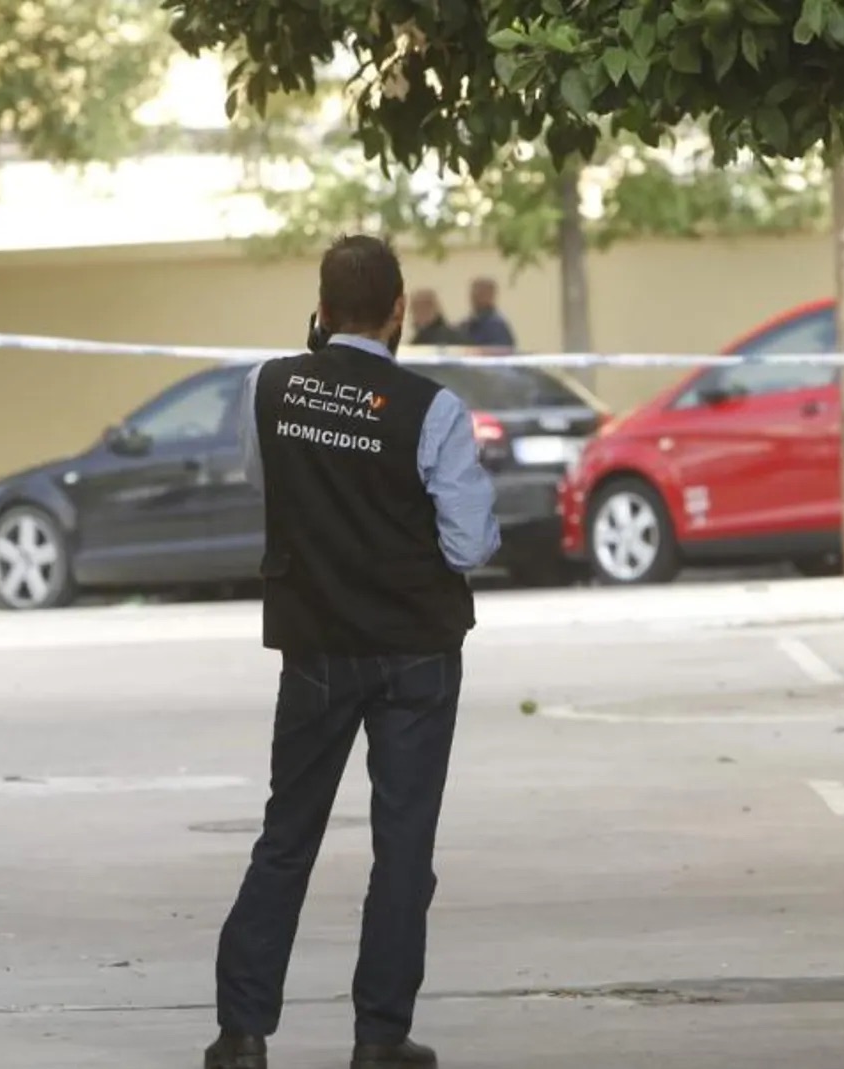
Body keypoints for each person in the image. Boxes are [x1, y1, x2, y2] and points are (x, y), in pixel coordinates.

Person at [206, 235, 500, 1069]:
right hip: (416, 653)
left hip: (315, 646)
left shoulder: (268, 389)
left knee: (287, 834)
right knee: (403, 845)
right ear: (400, 310)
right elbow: (470, 541)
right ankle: (380, 1037)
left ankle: (242, 1033)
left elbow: (268, 488)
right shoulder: (432, 409)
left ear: (322, 308)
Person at [459, 276, 517, 351]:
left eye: (481, 293)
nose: (475, 296)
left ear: (491, 296)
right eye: (473, 292)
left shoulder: (497, 327)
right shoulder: (466, 325)